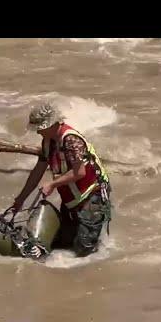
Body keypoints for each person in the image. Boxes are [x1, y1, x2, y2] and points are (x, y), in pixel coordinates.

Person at [11, 102, 111, 257]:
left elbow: (79, 172)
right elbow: (38, 170)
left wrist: (52, 184)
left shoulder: (71, 140)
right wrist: (21, 198)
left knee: (83, 249)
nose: (38, 132)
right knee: (63, 243)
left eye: (40, 128)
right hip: (72, 198)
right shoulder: (48, 141)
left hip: (91, 195)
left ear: (51, 124)